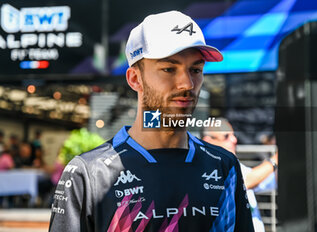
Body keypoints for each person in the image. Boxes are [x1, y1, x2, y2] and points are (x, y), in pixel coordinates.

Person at [49, 11, 253, 232]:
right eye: (169, 69)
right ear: (135, 79)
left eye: (195, 70)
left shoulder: (224, 166)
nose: (187, 83)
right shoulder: (88, 174)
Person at [202, 118, 278, 232]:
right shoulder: (207, 170)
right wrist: (275, 159)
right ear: (208, 141)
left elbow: (270, 180)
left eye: (234, 135)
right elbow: (246, 181)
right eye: (226, 136)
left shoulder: (236, 166)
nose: (234, 140)